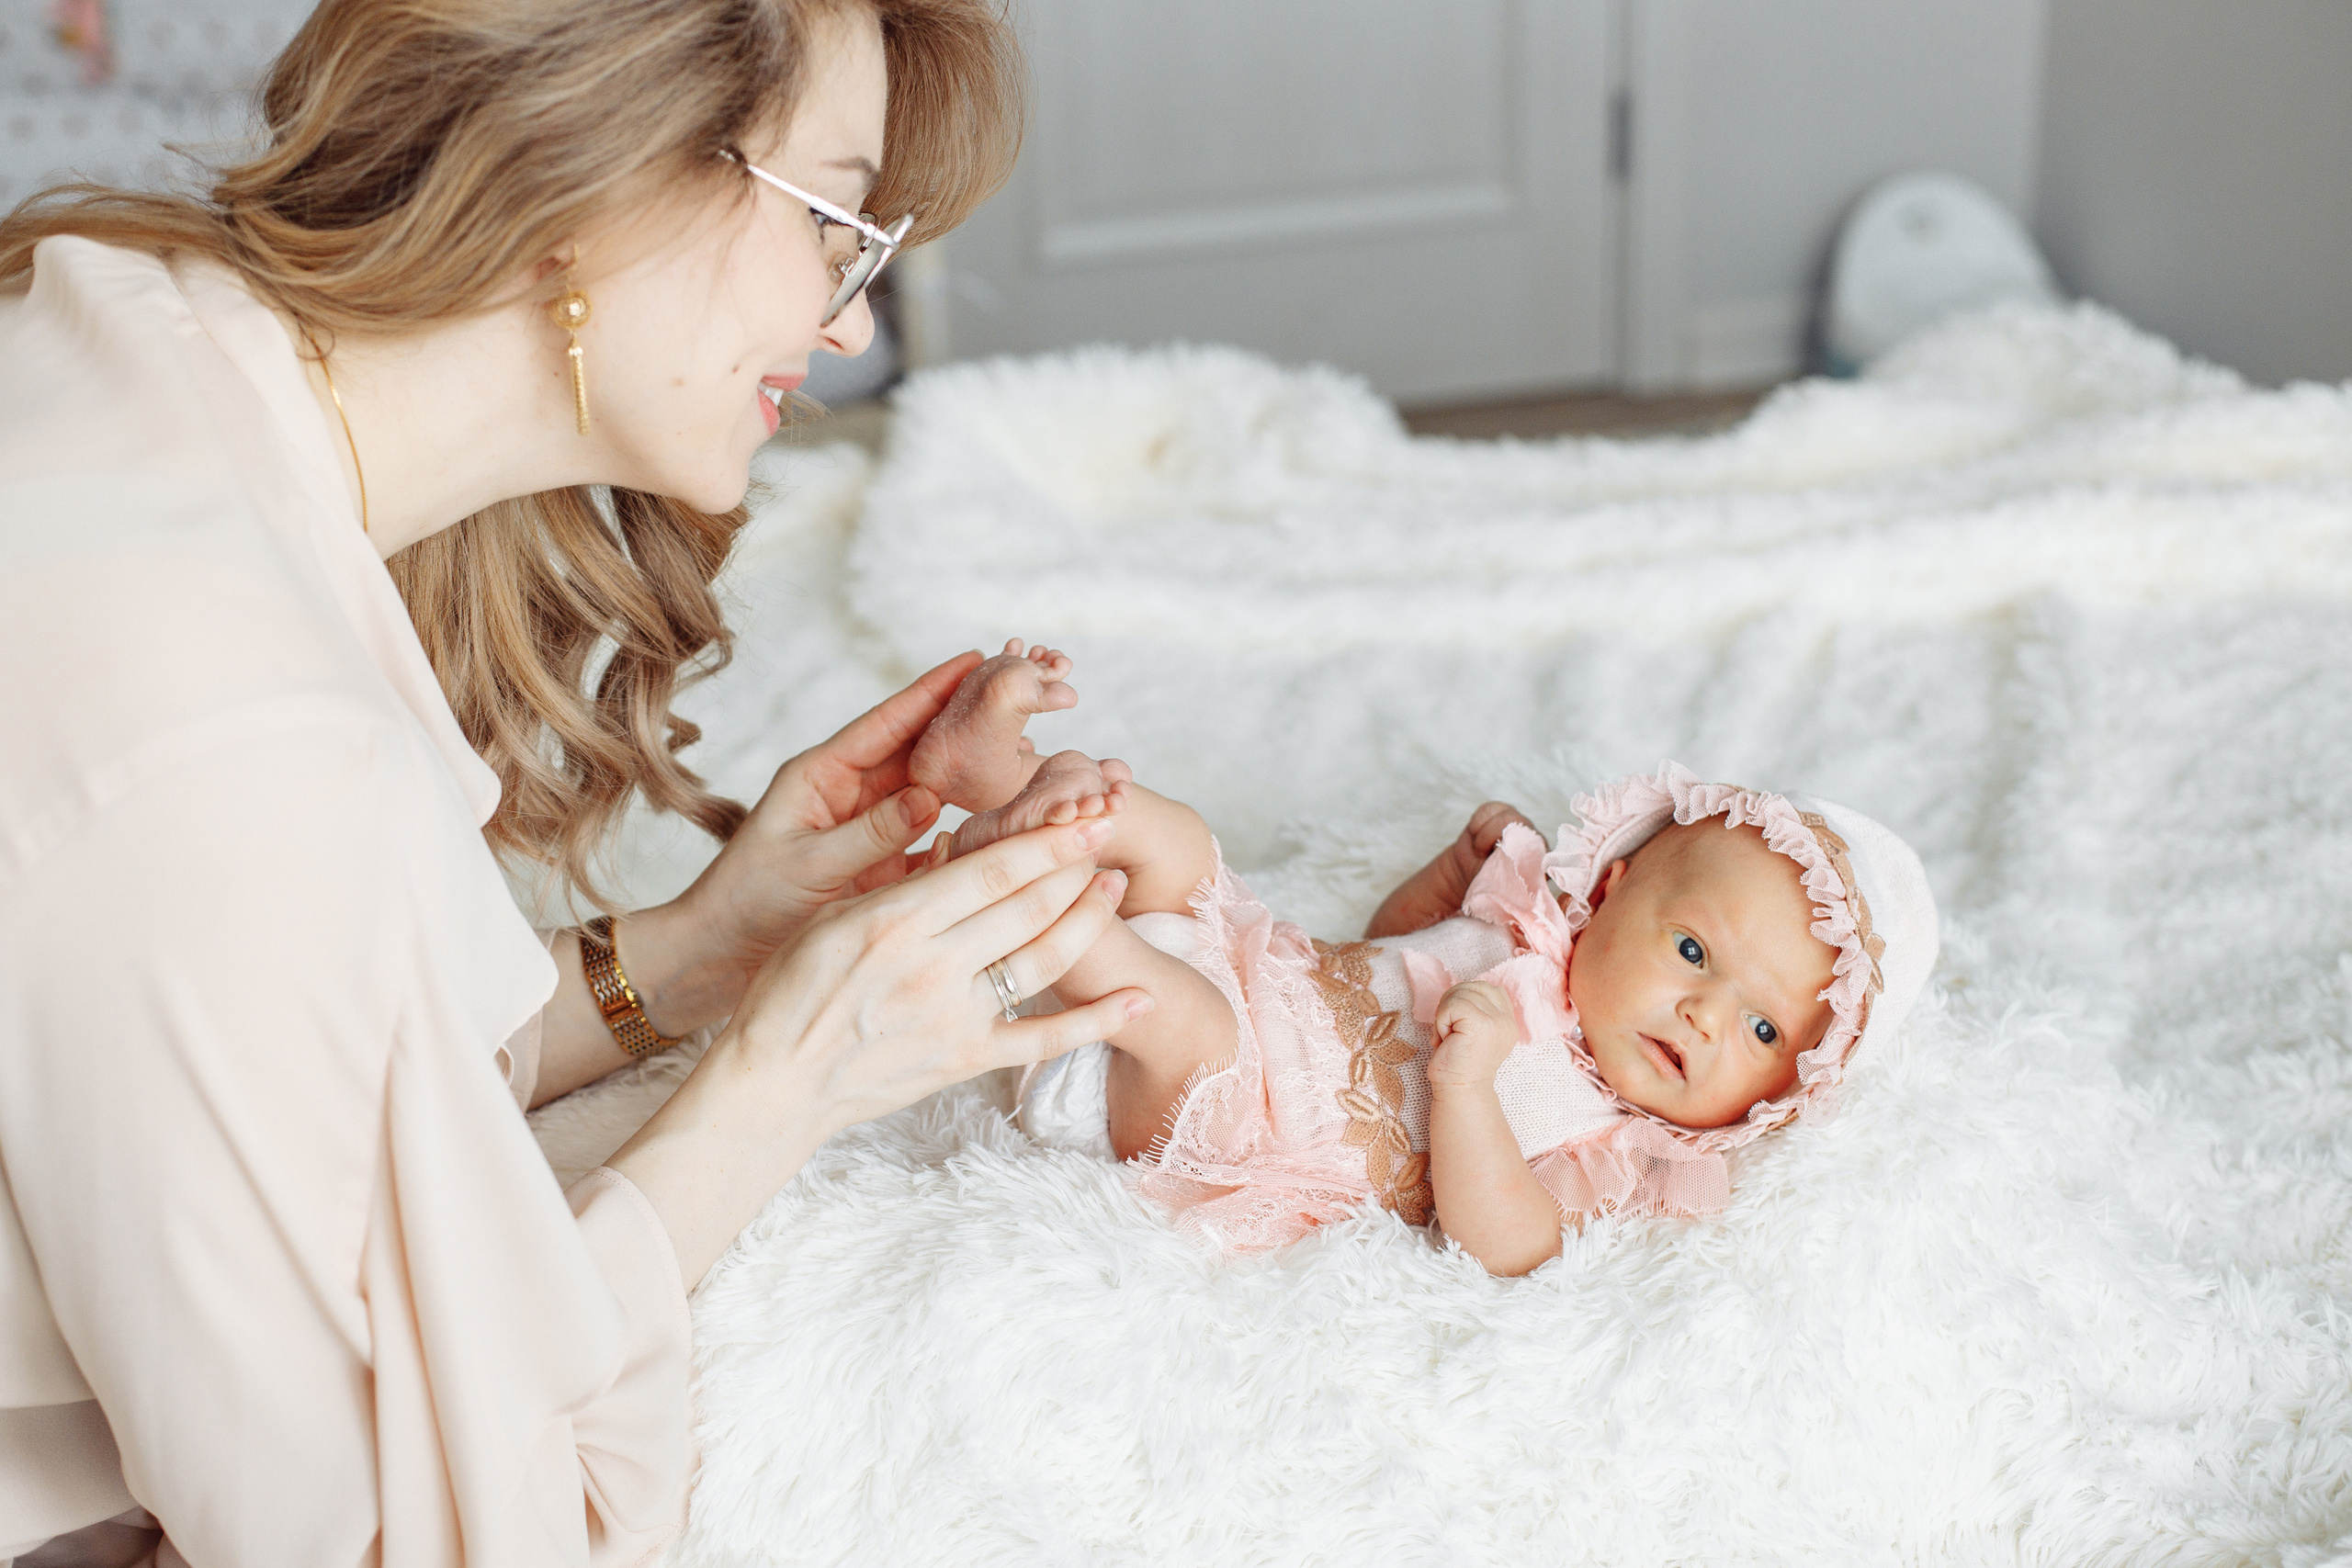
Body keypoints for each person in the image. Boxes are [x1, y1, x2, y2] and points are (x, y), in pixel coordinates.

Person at [0, 1, 1148, 1562]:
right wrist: (787, 1081)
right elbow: (407, 1540)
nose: (849, 327)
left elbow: (298, 1090)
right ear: (604, 163)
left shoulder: (113, 322)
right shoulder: (236, 737)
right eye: (833, 224)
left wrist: (692, 956)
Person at [903, 649, 1939, 1276]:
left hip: (1229, 1113)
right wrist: (1448, 881)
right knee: (1174, 845)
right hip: (1267, 971)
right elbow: (1383, 946)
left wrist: (1468, 1088)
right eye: (1692, 951)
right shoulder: (1532, 927)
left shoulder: (1611, 1142)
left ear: (1782, 1096)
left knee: (1169, 1013)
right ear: (1615, 892)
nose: (1707, 1017)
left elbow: (1504, 1244)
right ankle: (1010, 783)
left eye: (1762, 1031)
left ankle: (1032, 910)